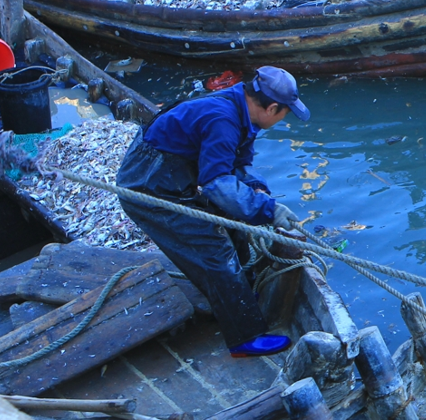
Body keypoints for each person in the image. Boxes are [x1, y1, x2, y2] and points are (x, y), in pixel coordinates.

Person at [116, 66, 310, 358]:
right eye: (285, 114)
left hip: (177, 174)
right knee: (213, 250)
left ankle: (239, 296)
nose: (283, 119)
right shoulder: (223, 119)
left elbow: (238, 162)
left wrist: (257, 189)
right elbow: (217, 184)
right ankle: (245, 337)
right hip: (148, 184)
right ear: (271, 108)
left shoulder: (243, 107)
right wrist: (268, 210)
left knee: (234, 224)